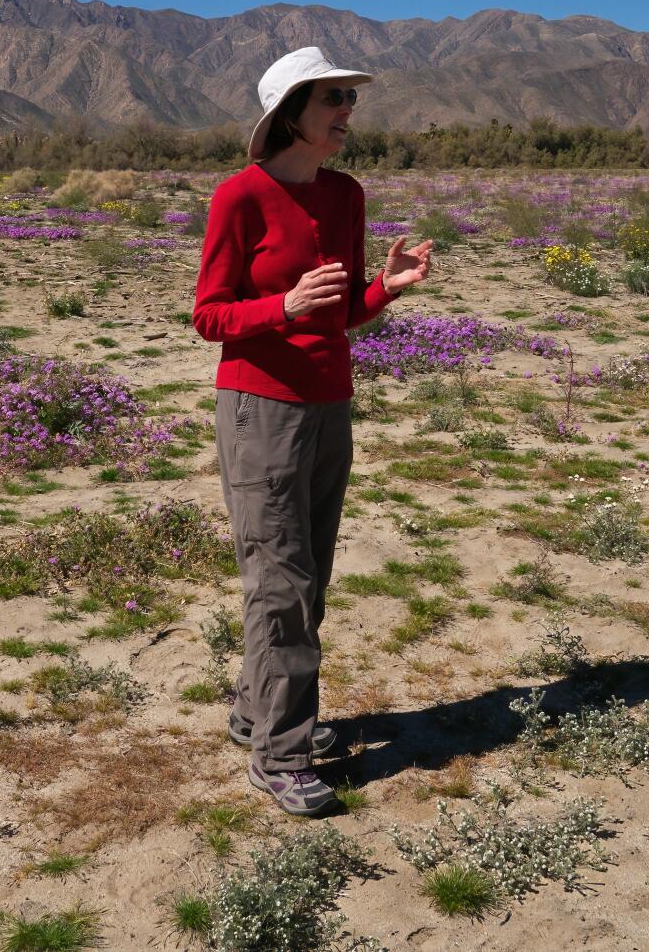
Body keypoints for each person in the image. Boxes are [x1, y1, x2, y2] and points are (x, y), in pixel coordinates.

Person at [192, 45, 433, 816]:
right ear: (291, 112)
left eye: (348, 97)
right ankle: (282, 752)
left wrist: (382, 291)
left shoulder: (347, 195)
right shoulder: (240, 197)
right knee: (280, 578)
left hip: (329, 401)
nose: (347, 111)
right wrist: (281, 309)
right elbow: (209, 316)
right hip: (260, 406)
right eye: (333, 97)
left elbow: (340, 310)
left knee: (307, 574)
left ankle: (255, 708)